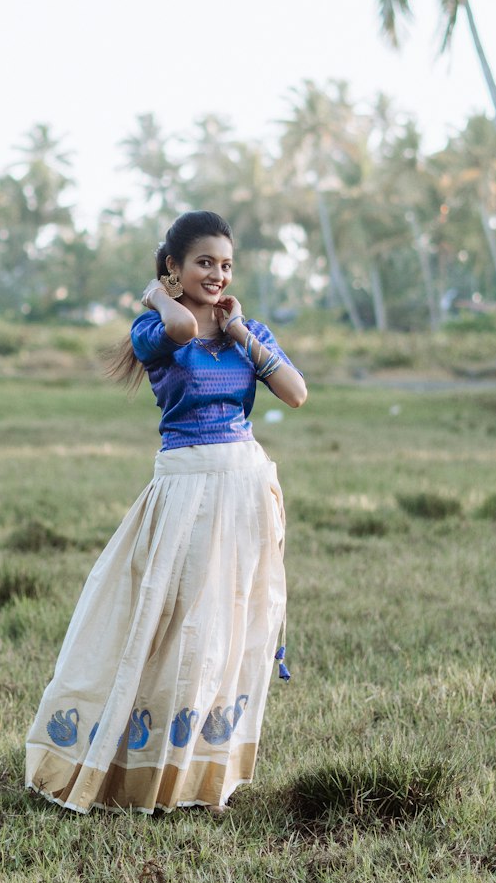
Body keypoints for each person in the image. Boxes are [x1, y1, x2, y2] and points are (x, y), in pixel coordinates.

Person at [24, 210, 307, 813]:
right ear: (175, 267)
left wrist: (243, 339)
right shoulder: (154, 327)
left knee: (227, 628)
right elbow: (179, 326)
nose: (218, 274)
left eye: (226, 265)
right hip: (187, 488)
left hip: (244, 486)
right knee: (171, 621)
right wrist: (158, 293)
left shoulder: (246, 332)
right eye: (204, 262)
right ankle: (130, 766)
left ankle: (199, 775)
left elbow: (296, 392)